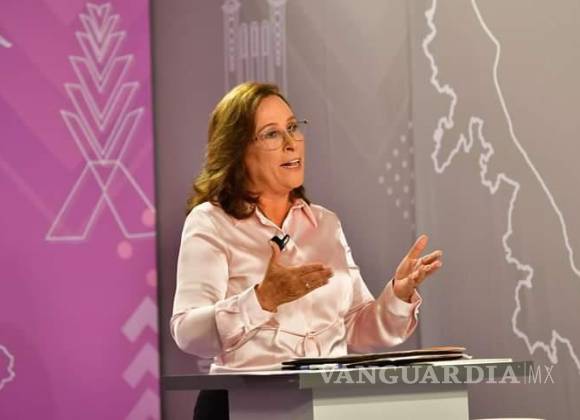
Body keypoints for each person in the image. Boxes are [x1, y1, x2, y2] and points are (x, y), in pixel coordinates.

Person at [171, 82, 443, 419]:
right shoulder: (211, 222)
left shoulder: (325, 224)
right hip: (242, 406)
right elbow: (188, 333)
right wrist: (262, 300)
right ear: (238, 151)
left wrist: (397, 295)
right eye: (272, 134)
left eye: (292, 127)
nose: (291, 143)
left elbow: (356, 328)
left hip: (325, 405)